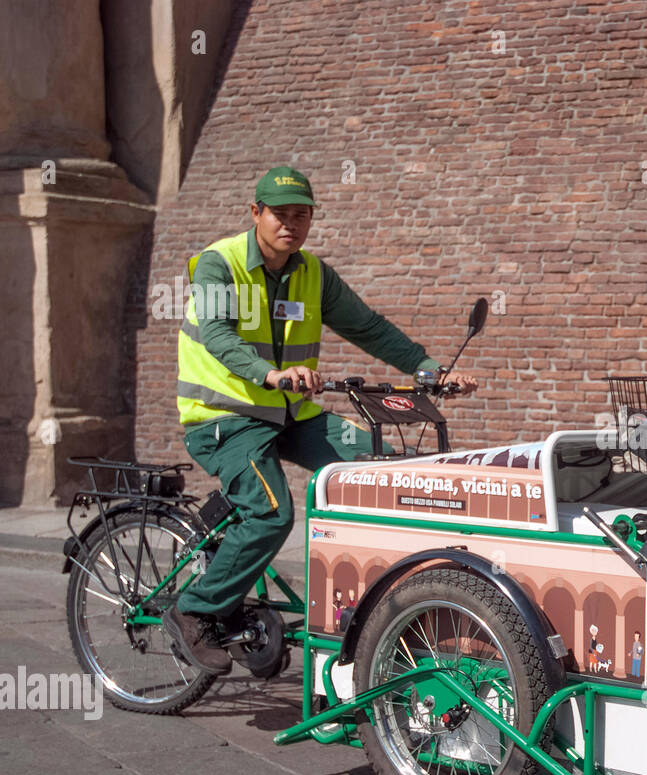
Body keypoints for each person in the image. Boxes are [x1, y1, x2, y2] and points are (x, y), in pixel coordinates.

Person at [165, 165, 477, 674]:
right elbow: (220, 337)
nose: (291, 224)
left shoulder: (313, 274)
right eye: (280, 214)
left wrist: (428, 369)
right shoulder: (218, 266)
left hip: (291, 414)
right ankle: (194, 610)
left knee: (382, 464)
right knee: (271, 514)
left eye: (301, 215)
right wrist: (271, 374)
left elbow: (368, 327)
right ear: (255, 213)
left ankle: (387, 606)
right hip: (225, 418)